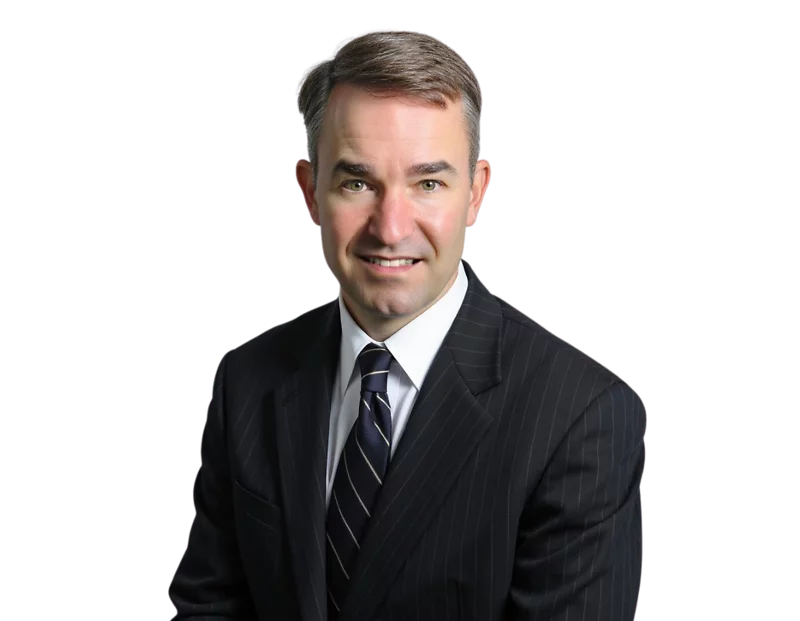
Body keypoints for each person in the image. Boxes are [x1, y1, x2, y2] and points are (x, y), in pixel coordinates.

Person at [168, 28, 646, 620]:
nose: (391, 227)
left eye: (428, 183)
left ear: (477, 192)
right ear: (309, 192)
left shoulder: (581, 416)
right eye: (358, 182)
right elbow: (208, 606)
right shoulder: (249, 377)